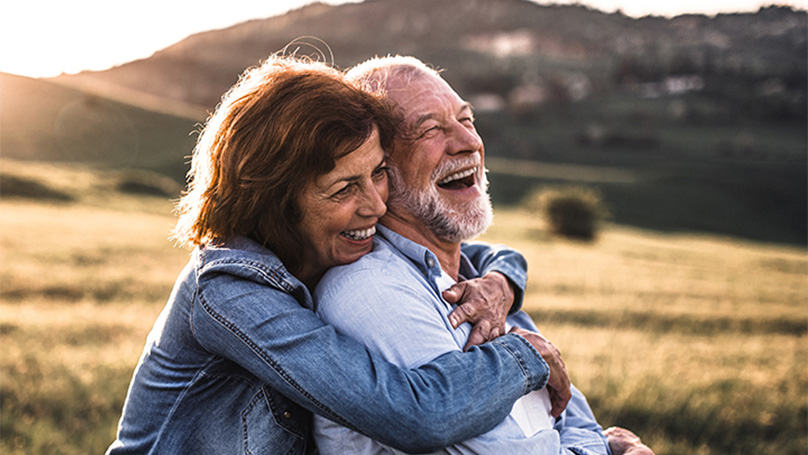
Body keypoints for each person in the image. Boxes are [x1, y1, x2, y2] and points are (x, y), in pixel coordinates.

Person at [105, 54, 572, 455]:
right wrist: (524, 355)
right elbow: (412, 414)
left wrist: (501, 282)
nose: (375, 204)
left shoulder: (319, 249)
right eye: (345, 188)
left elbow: (485, 253)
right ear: (277, 203)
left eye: (378, 174)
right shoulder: (229, 292)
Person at [313, 55, 654, 455]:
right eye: (431, 130)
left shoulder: (483, 286)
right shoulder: (372, 292)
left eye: (467, 120)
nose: (469, 142)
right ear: (376, 166)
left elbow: (565, 411)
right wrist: (612, 449)